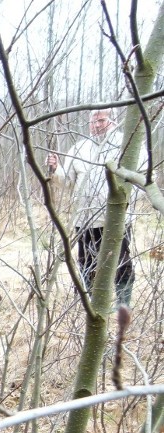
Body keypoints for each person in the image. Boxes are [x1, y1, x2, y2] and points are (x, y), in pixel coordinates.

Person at [47, 109, 134, 306]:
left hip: (116, 218)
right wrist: (54, 169)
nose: (96, 125)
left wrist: (128, 200)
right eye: (92, 121)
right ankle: (90, 302)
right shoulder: (80, 148)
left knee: (120, 261)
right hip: (85, 219)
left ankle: (123, 303)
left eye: (101, 120)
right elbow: (66, 181)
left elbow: (143, 177)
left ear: (112, 120)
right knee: (86, 261)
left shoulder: (125, 144)